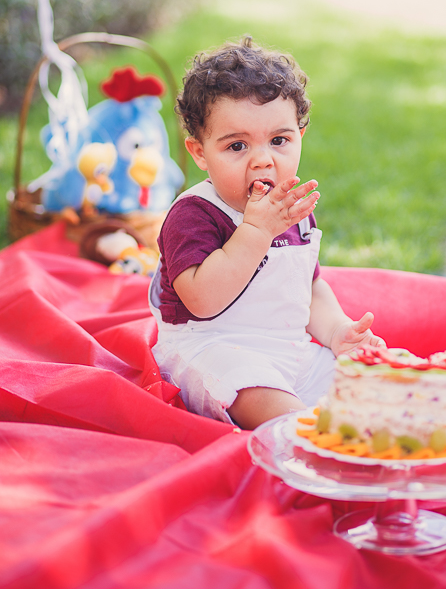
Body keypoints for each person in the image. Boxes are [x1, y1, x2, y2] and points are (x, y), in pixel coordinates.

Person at [150, 36, 383, 429]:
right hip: (213, 349)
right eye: (237, 146)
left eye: (279, 141)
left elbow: (309, 287)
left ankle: (363, 428)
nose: (263, 160)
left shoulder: (290, 207)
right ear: (200, 153)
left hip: (288, 350)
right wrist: (256, 231)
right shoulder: (194, 214)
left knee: (369, 386)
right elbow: (202, 300)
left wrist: (337, 330)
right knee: (266, 400)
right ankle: (305, 435)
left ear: (299, 137)